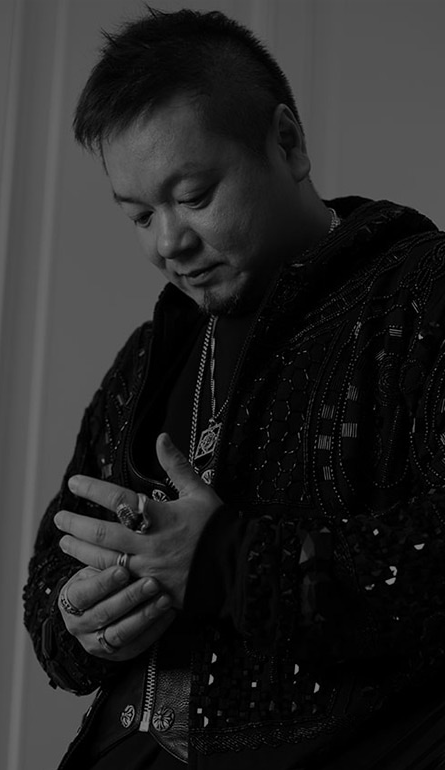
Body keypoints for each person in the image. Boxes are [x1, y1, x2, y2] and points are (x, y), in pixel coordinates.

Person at [23, 7, 445, 770]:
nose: (168, 243)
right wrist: (80, 620)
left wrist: (228, 563)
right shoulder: (148, 356)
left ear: (287, 142)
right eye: (139, 215)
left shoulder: (423, 296)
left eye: (193, 196)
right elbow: (53, 575)